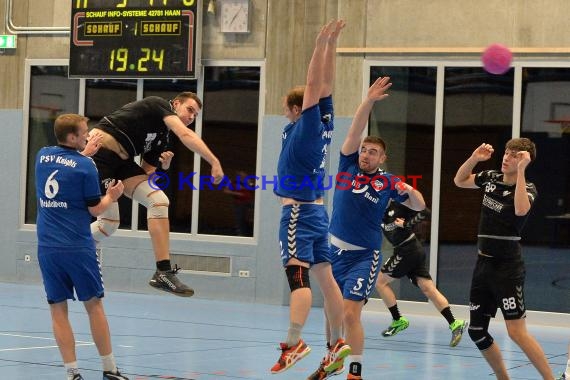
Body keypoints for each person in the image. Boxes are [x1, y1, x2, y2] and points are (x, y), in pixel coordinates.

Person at [308, 76, 426, 380]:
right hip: (333, 251)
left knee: (349, 314)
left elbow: (419, 205)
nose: (366, 154)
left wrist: (409, 191)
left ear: (382, 158)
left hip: (364, 256)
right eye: (364, 150)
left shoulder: (387, 182)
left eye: (372, 152)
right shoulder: (347, 166)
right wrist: (369, 100)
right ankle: (330, 357)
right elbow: (355, 130)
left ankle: (355, 372)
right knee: (329, 311)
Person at [270, 20, 351, 375]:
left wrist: (320, 44)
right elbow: (328, 84)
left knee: (297, 277)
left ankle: (295, 341)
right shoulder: (325, 123)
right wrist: (332, 45)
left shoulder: (305, 126)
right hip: (319, 214)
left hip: (299, 215)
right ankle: (338, 342)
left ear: (294, 109)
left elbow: (317, 84)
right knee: (326, 278)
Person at [89, 92, 224, 297]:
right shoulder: (157, 104)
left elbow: (146, 173)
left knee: (158, 201)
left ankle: (163, 272)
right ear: (175, 104)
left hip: (123, 164)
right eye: (189, 110)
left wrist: (163, 167)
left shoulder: (162, 138)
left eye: (195, 115)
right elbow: (186, 135)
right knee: (108, 221)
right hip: (99, 154)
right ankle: (73, 247)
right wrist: (214, 161)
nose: (191, 117)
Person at [35, 114, 128, 380]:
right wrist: (112, 195)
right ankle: (109, 369)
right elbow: (95, 208)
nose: (88, 136)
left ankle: (72, 373)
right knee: (94, 306)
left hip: (47, 248)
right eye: (84, 133)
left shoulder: (42, 156)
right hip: (77, 246)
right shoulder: (86, 166)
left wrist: (84, 153)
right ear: (73, 137)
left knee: (58, 308)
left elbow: (64, 166)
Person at [454, 139, 554, 380]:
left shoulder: (528, 187)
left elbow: (520, 210)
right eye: (506, 153)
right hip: (483, 265)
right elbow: (459, 181)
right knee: (477, 331)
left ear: (524, 161)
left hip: (507, 268)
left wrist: (520, 172)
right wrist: (474, 158)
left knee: (516, 333)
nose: (506, 158)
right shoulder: (490, 177)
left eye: (514, 155)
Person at [375, 201, 468, 346]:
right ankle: (455, 324)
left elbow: (426, 213)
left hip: (407, 250)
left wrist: (406, 224)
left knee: (380, 282)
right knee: (428, 289)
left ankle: (398, 320)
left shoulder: (399, 205)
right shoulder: (378, 211)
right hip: (410, 250)